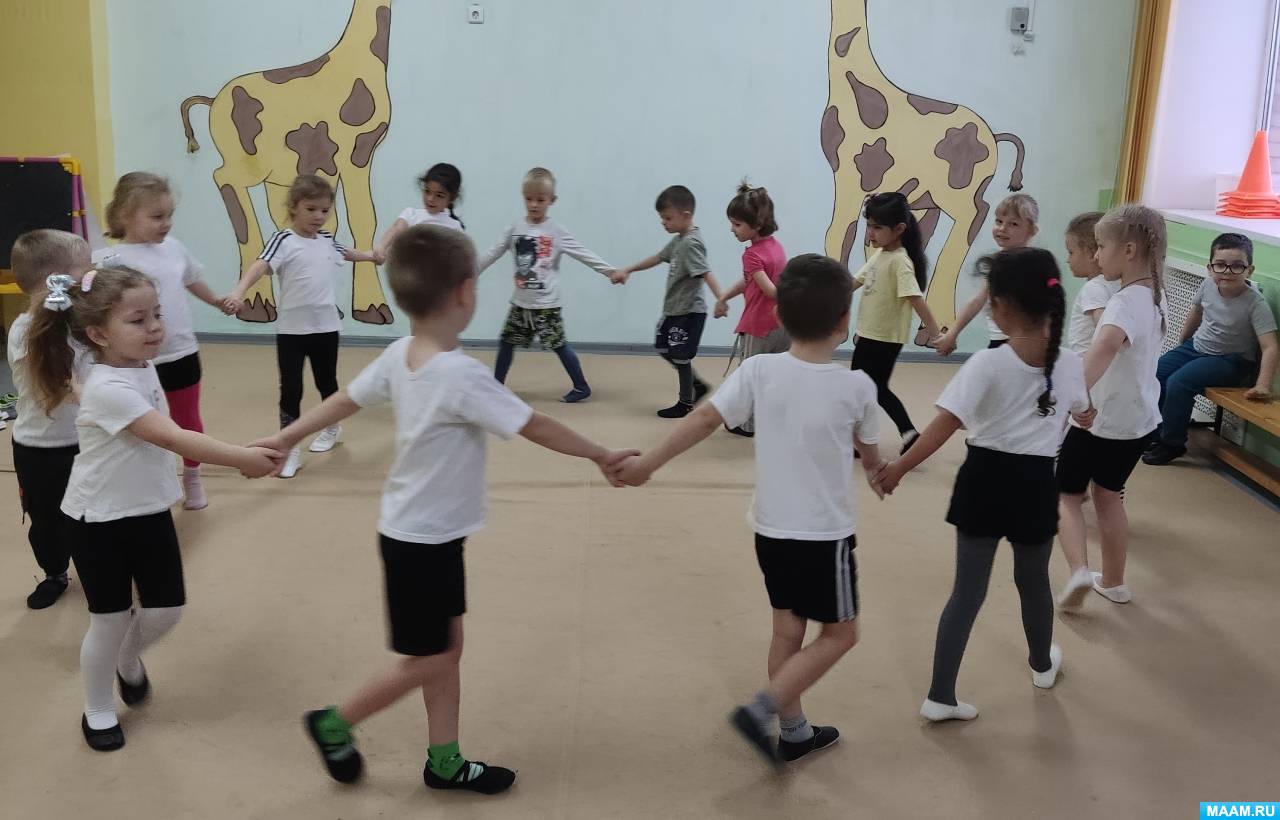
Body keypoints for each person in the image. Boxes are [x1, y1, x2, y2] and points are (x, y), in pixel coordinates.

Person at [252, 225, 635, 795]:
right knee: (432, 658)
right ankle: (334, 723)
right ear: (464, 292)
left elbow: (345, 400)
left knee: (446, 651)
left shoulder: (400, 354)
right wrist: (600, 454)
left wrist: (290, 435)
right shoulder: (462, 376)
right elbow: (534, 424)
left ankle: (445, 761)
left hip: (424, 535)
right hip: (421, 542)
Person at [615, 253, 884, 766]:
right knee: (841, 633)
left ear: (779, 315)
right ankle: (764, 708)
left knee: (787, 630)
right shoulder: (856, 386)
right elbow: (869, 452)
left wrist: (647, 464)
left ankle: (795, 732)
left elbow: (703, 420)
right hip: (823, 538)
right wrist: (877, 471)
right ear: (844, 322)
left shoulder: (759, 370)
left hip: (771, 531)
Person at [25, 266, 279, 751]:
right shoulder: (109, 386)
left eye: (157, 314)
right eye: (138, 320)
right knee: (109, 619)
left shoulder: (135, 366)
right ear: (99, 334)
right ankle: (98, 707)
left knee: (167, 609)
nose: (155, 327)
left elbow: (104, 396)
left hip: (146, 509)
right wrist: (242, 458)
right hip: (97, 520)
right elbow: (172, 437)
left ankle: (128, 659)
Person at [876, 248, 1086, 721]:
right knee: (1033, 581)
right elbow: (1081, 410)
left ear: (1003, 306)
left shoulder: (987, 364)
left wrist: (900, 468)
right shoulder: (1071, 363)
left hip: (983, 480)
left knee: (967, 591)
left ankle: (940, 695)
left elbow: (943, 425)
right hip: (1035, 484)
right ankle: (1041, 665)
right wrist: (1082, 414)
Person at [223, 175, 378, 478]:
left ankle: (332, 427)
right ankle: (289, 447)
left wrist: (372, 256)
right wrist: (239, 291)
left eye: (325, 210)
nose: (319, 216)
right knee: (291, 388)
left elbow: (347, 252)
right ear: (294, 207)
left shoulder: (327, 239)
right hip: (292, 331)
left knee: (327, 383)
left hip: (326, 328)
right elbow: (260, 265)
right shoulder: (284, 240)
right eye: (311, 209)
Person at [94, 172, 229, 509]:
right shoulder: (110, 259)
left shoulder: (174, 248)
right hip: (133, 360)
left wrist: (216, 301)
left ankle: (193, 476)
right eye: (157, 216)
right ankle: (150, 481)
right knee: (144, 424)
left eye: (169, 215)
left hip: (180, 350)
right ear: (126, 215)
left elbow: (191, 279)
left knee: (188, 419)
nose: (166, 223)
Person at [1056, 205, 1168, 610]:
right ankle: (1115, 582)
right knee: (1108, 496)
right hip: (1138, 423)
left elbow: (1104, 346)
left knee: (1066, 495)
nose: (1098, 254)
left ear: (1130, 250)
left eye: (1102, 247)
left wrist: (1072, 398)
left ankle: (1079, 571)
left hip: (1100, 421)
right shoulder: (1156, 296)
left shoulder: (1123, 302)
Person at [478, 167, 616, 403]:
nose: (533, 205)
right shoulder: (515, 228)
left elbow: (582, 252)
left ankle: (581, 386)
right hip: (521, 303)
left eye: (540, 200)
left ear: (552, 200)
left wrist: (609, 271)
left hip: (546, 305)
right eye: (528, 199)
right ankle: (496, 386)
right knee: (507, 342)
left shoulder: (556, 232)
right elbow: (493, 252)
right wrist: (470, 272)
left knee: (559, 345)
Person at [7, 229, 93, 609]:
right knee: (46, 522)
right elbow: (56, 382)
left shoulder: (82, 324)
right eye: (82, 274)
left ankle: (97, 572)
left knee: (89, 516)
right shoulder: (24, 331)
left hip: (84, 441)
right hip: (38, 448)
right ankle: (55, 571)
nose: (88, 281)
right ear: (54, 284)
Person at [1143, 232, 1277, 465]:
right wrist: (1183, 342)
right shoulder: (1207, 285)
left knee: (1179, 383)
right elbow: (1196, 313)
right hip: (1196, 348)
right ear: (1210, 268)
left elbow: (1270, 346)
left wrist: (1263, 384)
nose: (1227, 271)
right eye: (1220, 265)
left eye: (1237, 266)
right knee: (1156, 374)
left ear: (1249, 270)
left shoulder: (1256, 303)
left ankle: (1172, 443)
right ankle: (1156, 432)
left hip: (1231, 360)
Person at [613, 185, 725, 417]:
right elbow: (657, 257)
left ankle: (685, 403)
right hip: (673, 310)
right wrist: (628, 269)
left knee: (680, 357)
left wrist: (721, 299)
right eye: (662, 218)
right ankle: (697, 384)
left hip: (689, 313)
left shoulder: (691, 244)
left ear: (686, 215)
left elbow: (706, 273)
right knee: (663, 347)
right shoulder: (679, 241)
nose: (663, 223)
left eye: (667, 218)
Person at [850, 192, 944, 454]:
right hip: (870, 334)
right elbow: (853, 283)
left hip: (885, 338)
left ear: (899, 229)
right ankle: (904, 434)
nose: (870, 233)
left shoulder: (900, 261)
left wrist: (935, 334)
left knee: (869, 388)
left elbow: (916, 299)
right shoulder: (881, 255)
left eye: (877, 227)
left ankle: (899, 434)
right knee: (868, 388)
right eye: (869, 225)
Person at [713, 181, 788, 436]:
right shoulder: (775, 247)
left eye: (737, 224)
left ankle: (748, 425)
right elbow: (750, 281)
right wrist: (724, 296)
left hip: (759, 326)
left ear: (756, 225)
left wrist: (794, 295)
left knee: (750, 376)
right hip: (782, 325)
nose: (732, 229)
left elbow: (769, 290)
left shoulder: (751, 255)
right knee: (774, 376)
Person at [934, 193, 1040, 354]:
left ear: (1032, 230)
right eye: (999, 221)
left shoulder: (1034, 263)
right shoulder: (996, 262)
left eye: (1013, 224)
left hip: (1023, 343)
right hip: (999, 341)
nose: (1002, 228)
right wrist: (952, 334)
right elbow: (978, 299)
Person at [374, 163, 466, 262]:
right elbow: (396, 229)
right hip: (409, 269)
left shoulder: (455, 227)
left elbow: (460, 259)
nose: (430, 199)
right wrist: (382, 247)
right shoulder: (411, 214)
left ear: (452, 198)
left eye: (439, 195)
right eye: (427, 191)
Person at [1063, 211, 1119, 355]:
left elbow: (1105, 332)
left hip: (1084, 364)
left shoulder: (1094, 287)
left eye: (1071, 252)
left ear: (1091, 253)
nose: (1067, 260)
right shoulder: (1115, 283)